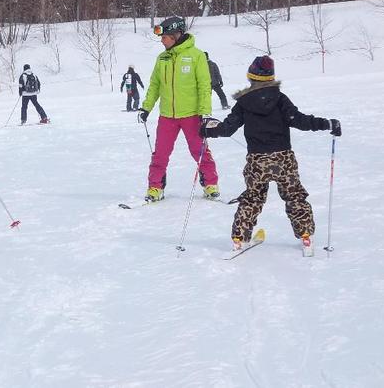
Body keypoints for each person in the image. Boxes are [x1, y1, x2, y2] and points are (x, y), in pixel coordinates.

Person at [200, 55, 341, 254]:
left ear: (251, 76)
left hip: (257, 160)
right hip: (283, 159)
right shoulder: (280, 99)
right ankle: (305, 236)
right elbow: (299, 120)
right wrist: (327, 124)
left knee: (252, 198)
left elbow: (227, 128)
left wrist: (208, 129)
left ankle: (239, 238)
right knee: (294, 196)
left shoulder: (244, 102)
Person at [139, 16, 218, 202]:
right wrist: (146, 107)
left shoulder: (196, 56)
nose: (162, 41)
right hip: (167, 116)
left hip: (192, 115)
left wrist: (205, 113)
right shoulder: (162, 58)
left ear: (176, 35)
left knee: (199, 151)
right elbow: (155, 85)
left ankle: (210, 184)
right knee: (160, 154)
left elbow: (204, 86)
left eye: (164, 37)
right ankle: (155, 187)